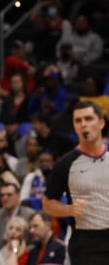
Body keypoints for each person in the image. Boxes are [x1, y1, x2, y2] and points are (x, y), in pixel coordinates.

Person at [42, 100, 109, 263]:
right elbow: (47, 204)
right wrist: (69, 209)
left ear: (101, 123)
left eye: (88, 119)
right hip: (87, 244)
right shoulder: (65, 164)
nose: (83, 124)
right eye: (78, 121)